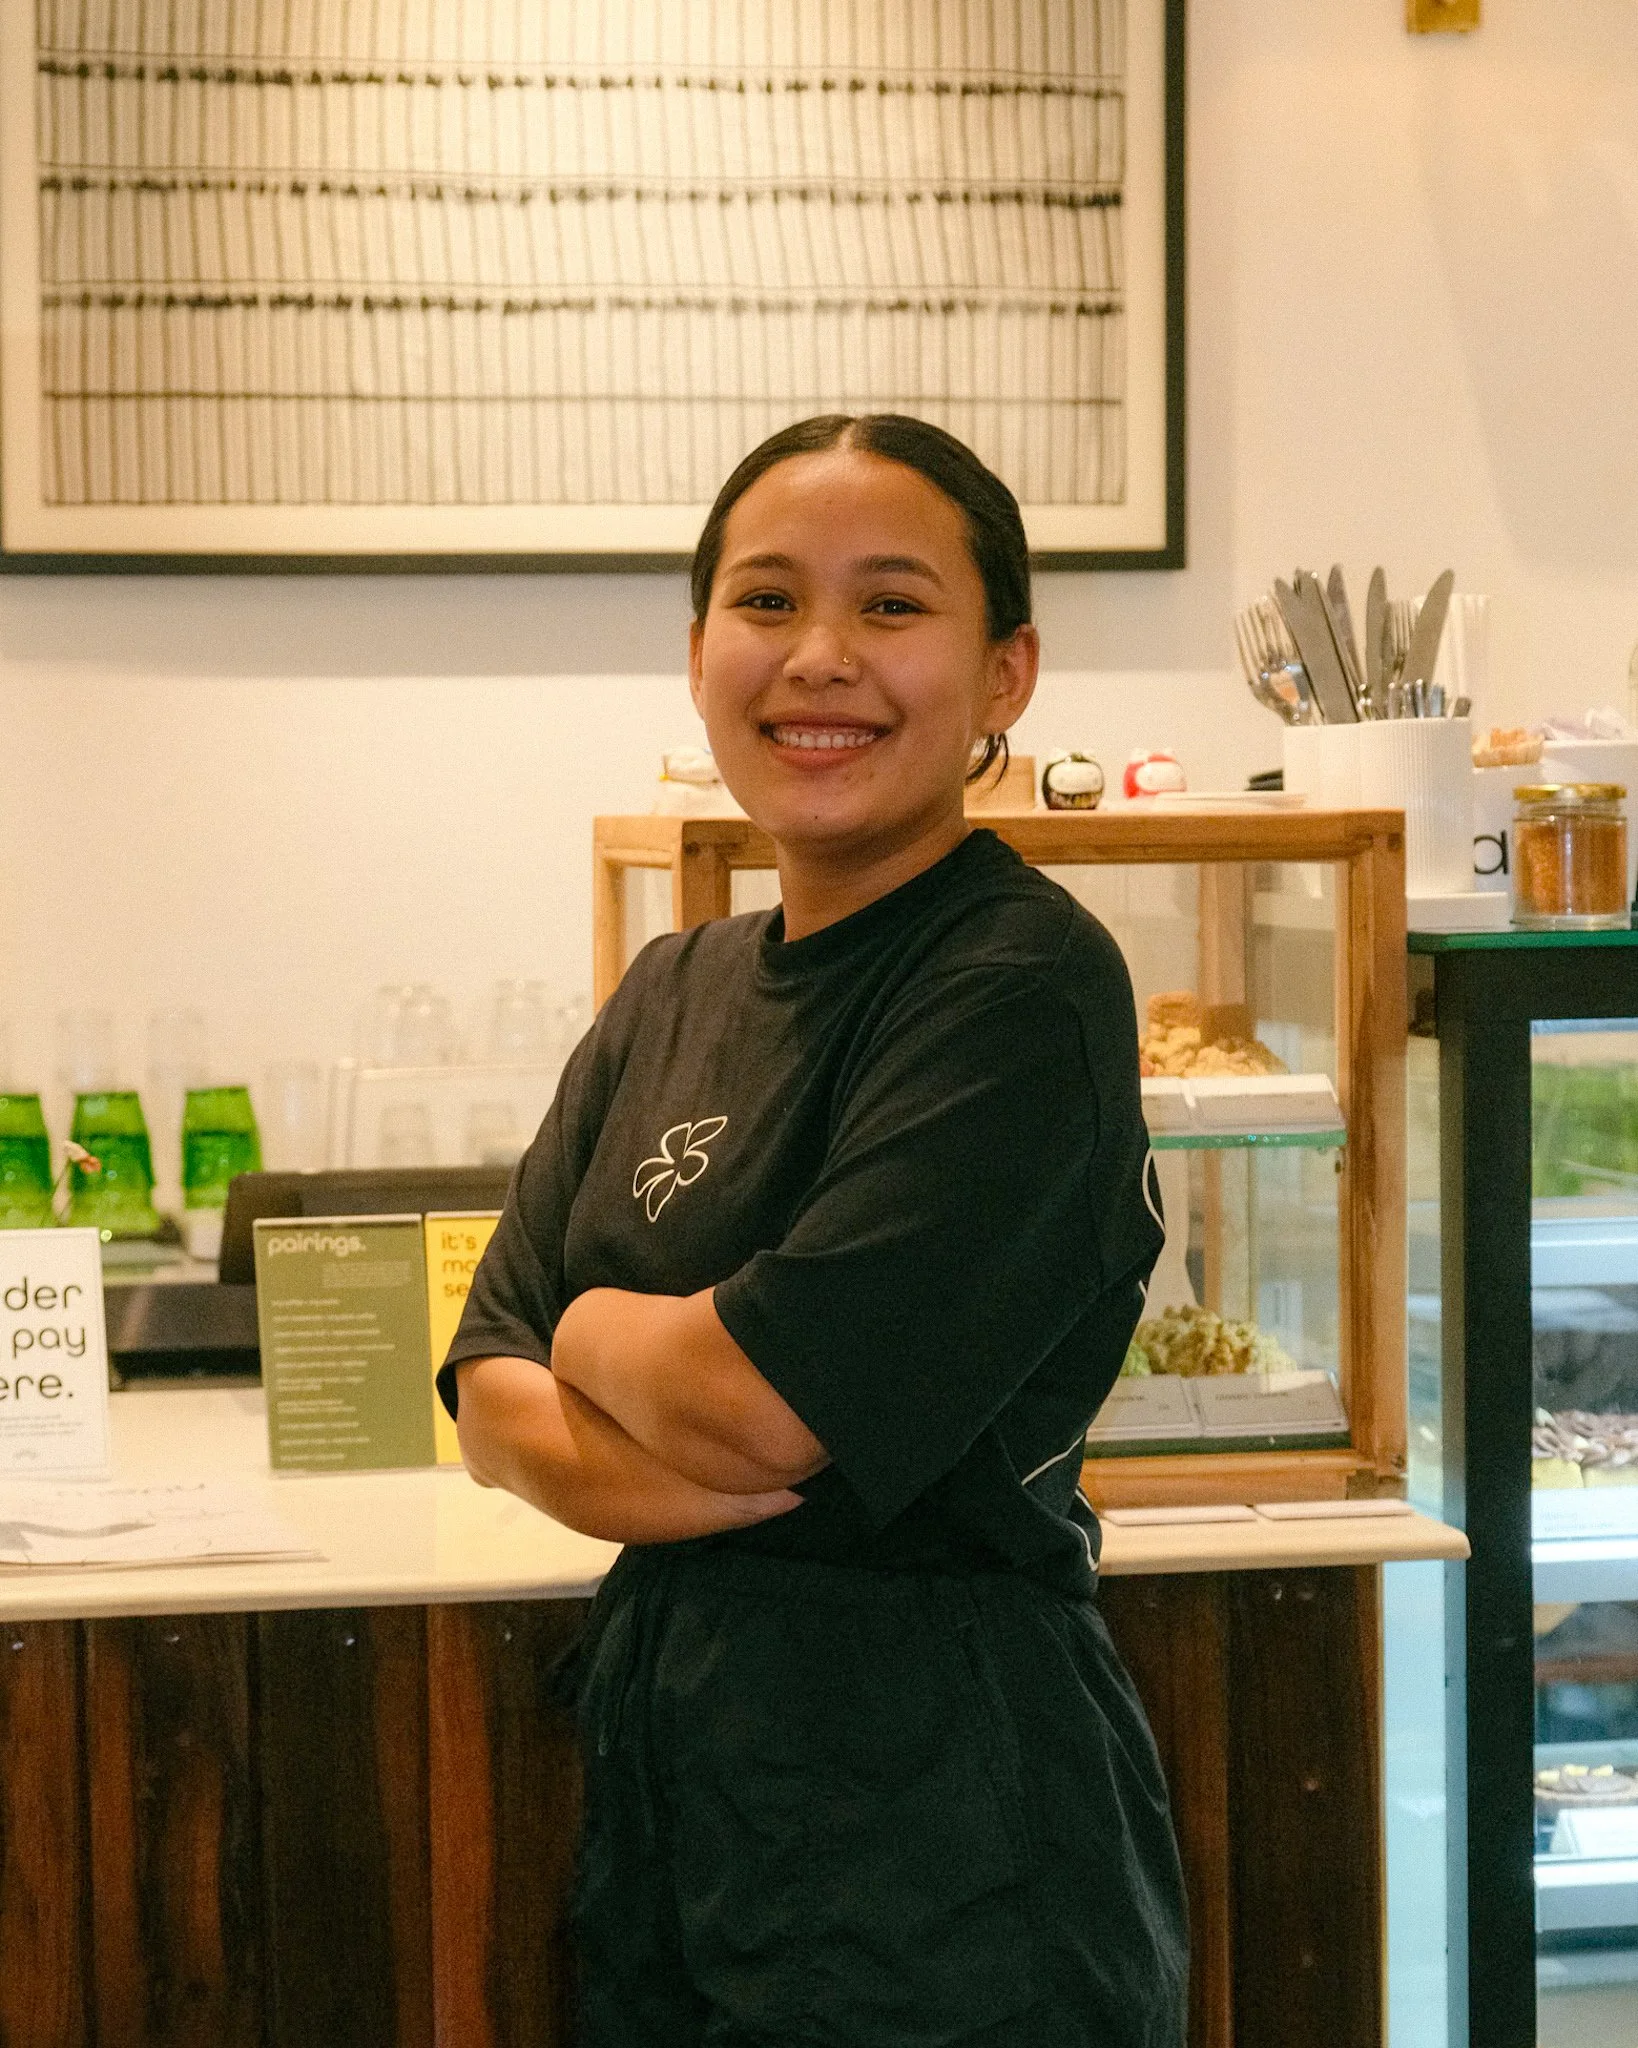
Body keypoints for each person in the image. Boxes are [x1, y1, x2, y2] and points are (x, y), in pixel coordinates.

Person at [440, 414, 1188, 2047]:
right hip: (675, 1788)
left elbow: (759, 1409)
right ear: (699, 647)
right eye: (766, 602)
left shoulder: (1014, 986)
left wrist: (591, 1335)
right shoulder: (677, 989)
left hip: (948, 1827)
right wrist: (619, 1364)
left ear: (1005, 673)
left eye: (894, 607)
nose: (819, 660)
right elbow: (484, 1381)